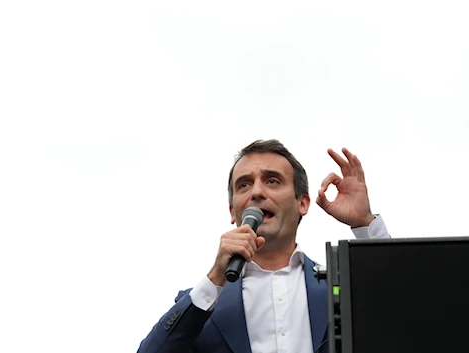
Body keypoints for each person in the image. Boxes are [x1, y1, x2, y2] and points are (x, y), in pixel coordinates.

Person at [137, 139, 390, 353]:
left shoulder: (341, 289)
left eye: (272, 181)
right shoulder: (202, 303)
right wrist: (215, 277)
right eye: (244, 185)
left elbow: (410, 318)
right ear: (232, 211)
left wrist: (365, 225)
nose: (256, 192)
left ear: (302, 203)